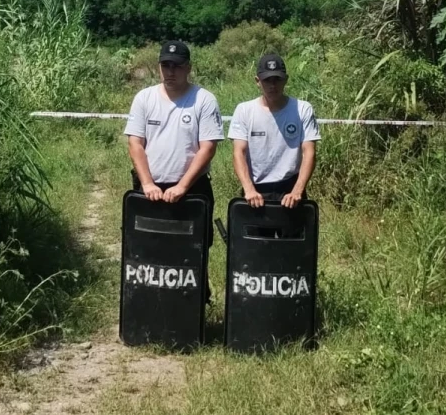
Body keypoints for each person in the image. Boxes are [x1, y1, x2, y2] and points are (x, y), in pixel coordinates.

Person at [123, 40, 223, 301]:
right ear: (159, 67)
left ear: (188, 67)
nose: (170, 71)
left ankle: (195, 302)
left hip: (192, 189)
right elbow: (135, 143)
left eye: (177, 66)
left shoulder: (204, 99)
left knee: (194, 249)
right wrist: (147, 184)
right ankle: (149, 303)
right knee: (149, 249)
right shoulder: (144, 98)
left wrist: (182, 186)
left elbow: (208, 148)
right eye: (165, 65)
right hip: (150, 189)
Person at [228, 53, 320, 208]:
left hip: (290, 190)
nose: (272, 85)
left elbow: (309, 152)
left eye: (277, 79)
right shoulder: (244, 110)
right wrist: (248, 189)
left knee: (294, 233)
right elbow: (239, 152)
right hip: (255, 191)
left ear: (286, 80)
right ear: (257, 81)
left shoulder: (302, 109)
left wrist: (298, 190)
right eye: (267, 80)